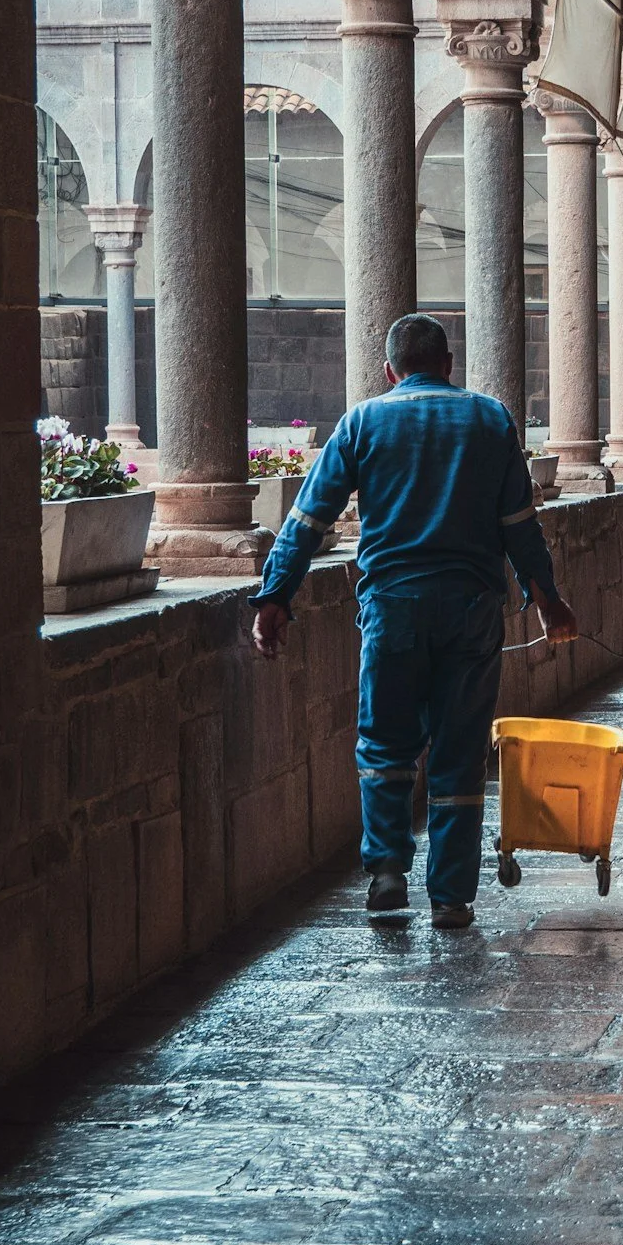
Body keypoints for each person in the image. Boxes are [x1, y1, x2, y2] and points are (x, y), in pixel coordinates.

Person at [250, 314, 577, 927]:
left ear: (389, 371)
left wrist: (275, 597)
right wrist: (548, 599)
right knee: (458, 752)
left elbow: (307, 521)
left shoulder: (362, 421)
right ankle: (452, 896)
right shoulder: (491, 419)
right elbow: (520, 528)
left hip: (392, 609)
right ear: (448, 365)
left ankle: (386, 873)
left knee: (385, 743)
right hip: (472, 609)